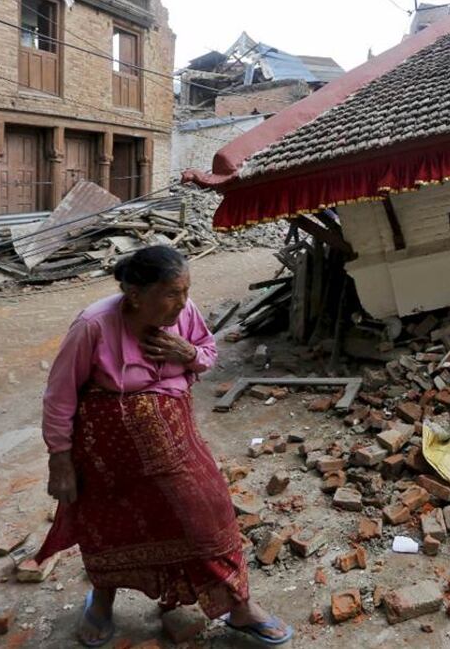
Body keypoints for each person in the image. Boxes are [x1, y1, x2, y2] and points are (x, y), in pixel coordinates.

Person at [36, 246, 292, 647]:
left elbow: (207, 353)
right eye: (173, 293)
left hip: (175, 438)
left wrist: (187, 353)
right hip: (107, 455)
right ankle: (101, 602)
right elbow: (59, 396)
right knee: (109, 526)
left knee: (208, 511)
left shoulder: (183, 315)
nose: (183, 303)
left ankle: (239, 606)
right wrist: (61, 461)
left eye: (186, 291)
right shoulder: (93, 325)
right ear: (136, 295)